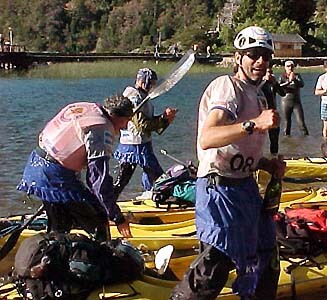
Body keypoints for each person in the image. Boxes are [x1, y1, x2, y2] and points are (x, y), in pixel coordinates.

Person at [170, 25, 286, 300]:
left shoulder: (257, 95)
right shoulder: (227, 86)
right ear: (238, 57)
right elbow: (208, 137)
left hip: (244, 188)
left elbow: (240, 146)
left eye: (266, 56)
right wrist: (255, 123)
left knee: (266, 257)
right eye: (253, 55)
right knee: (215, 263)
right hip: (217, 188)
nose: (260, 61)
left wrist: (266, 164)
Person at [16, 96, 134, 241]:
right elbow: (98, 181)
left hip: (35, 166)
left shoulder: (87, 107)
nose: (125, 127)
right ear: (115, 116)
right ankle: (103, 257)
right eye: (127, 121)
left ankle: (55, 255)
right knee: (99, 221)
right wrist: (117, 217)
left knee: (60, 229)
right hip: (54, 177)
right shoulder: (101, 129)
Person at [113, 68, 177, 201]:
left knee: (127, 177)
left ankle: (147, 194)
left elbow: (148, 126)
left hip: (134, 144)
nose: (153, 87)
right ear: (144, 82)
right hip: (137, 146)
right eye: (152, 83)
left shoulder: (141, 96)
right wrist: (163, 118)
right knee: (158, 177)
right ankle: (108, 203)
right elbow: (142, 125)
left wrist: (166, 120)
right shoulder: (135, 97)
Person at [278, 60, 309, 136]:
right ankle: (287, 142)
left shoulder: (297, 75)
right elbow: (278, 87)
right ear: (285, 68)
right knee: (286, 124)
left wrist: (294, 79)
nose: (290, 68)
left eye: (292, 66)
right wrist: (288, 82)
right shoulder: (282, 76)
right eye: (288, 66)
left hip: (296, 102)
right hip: (285, 102)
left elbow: (302, 84)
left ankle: (306, 140)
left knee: (301, 123)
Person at [261, 67, 285, 155]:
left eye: (271, 72)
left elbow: (283, 93)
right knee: (259, 138)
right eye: (268, 72)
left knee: (274, 138)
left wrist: (275, 83)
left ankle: (274, 156)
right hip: (261, 114)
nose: (270, 74)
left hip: (273, 112)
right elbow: (256, 92)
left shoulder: (273, 83)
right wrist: (264, 81)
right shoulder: (260, 83)